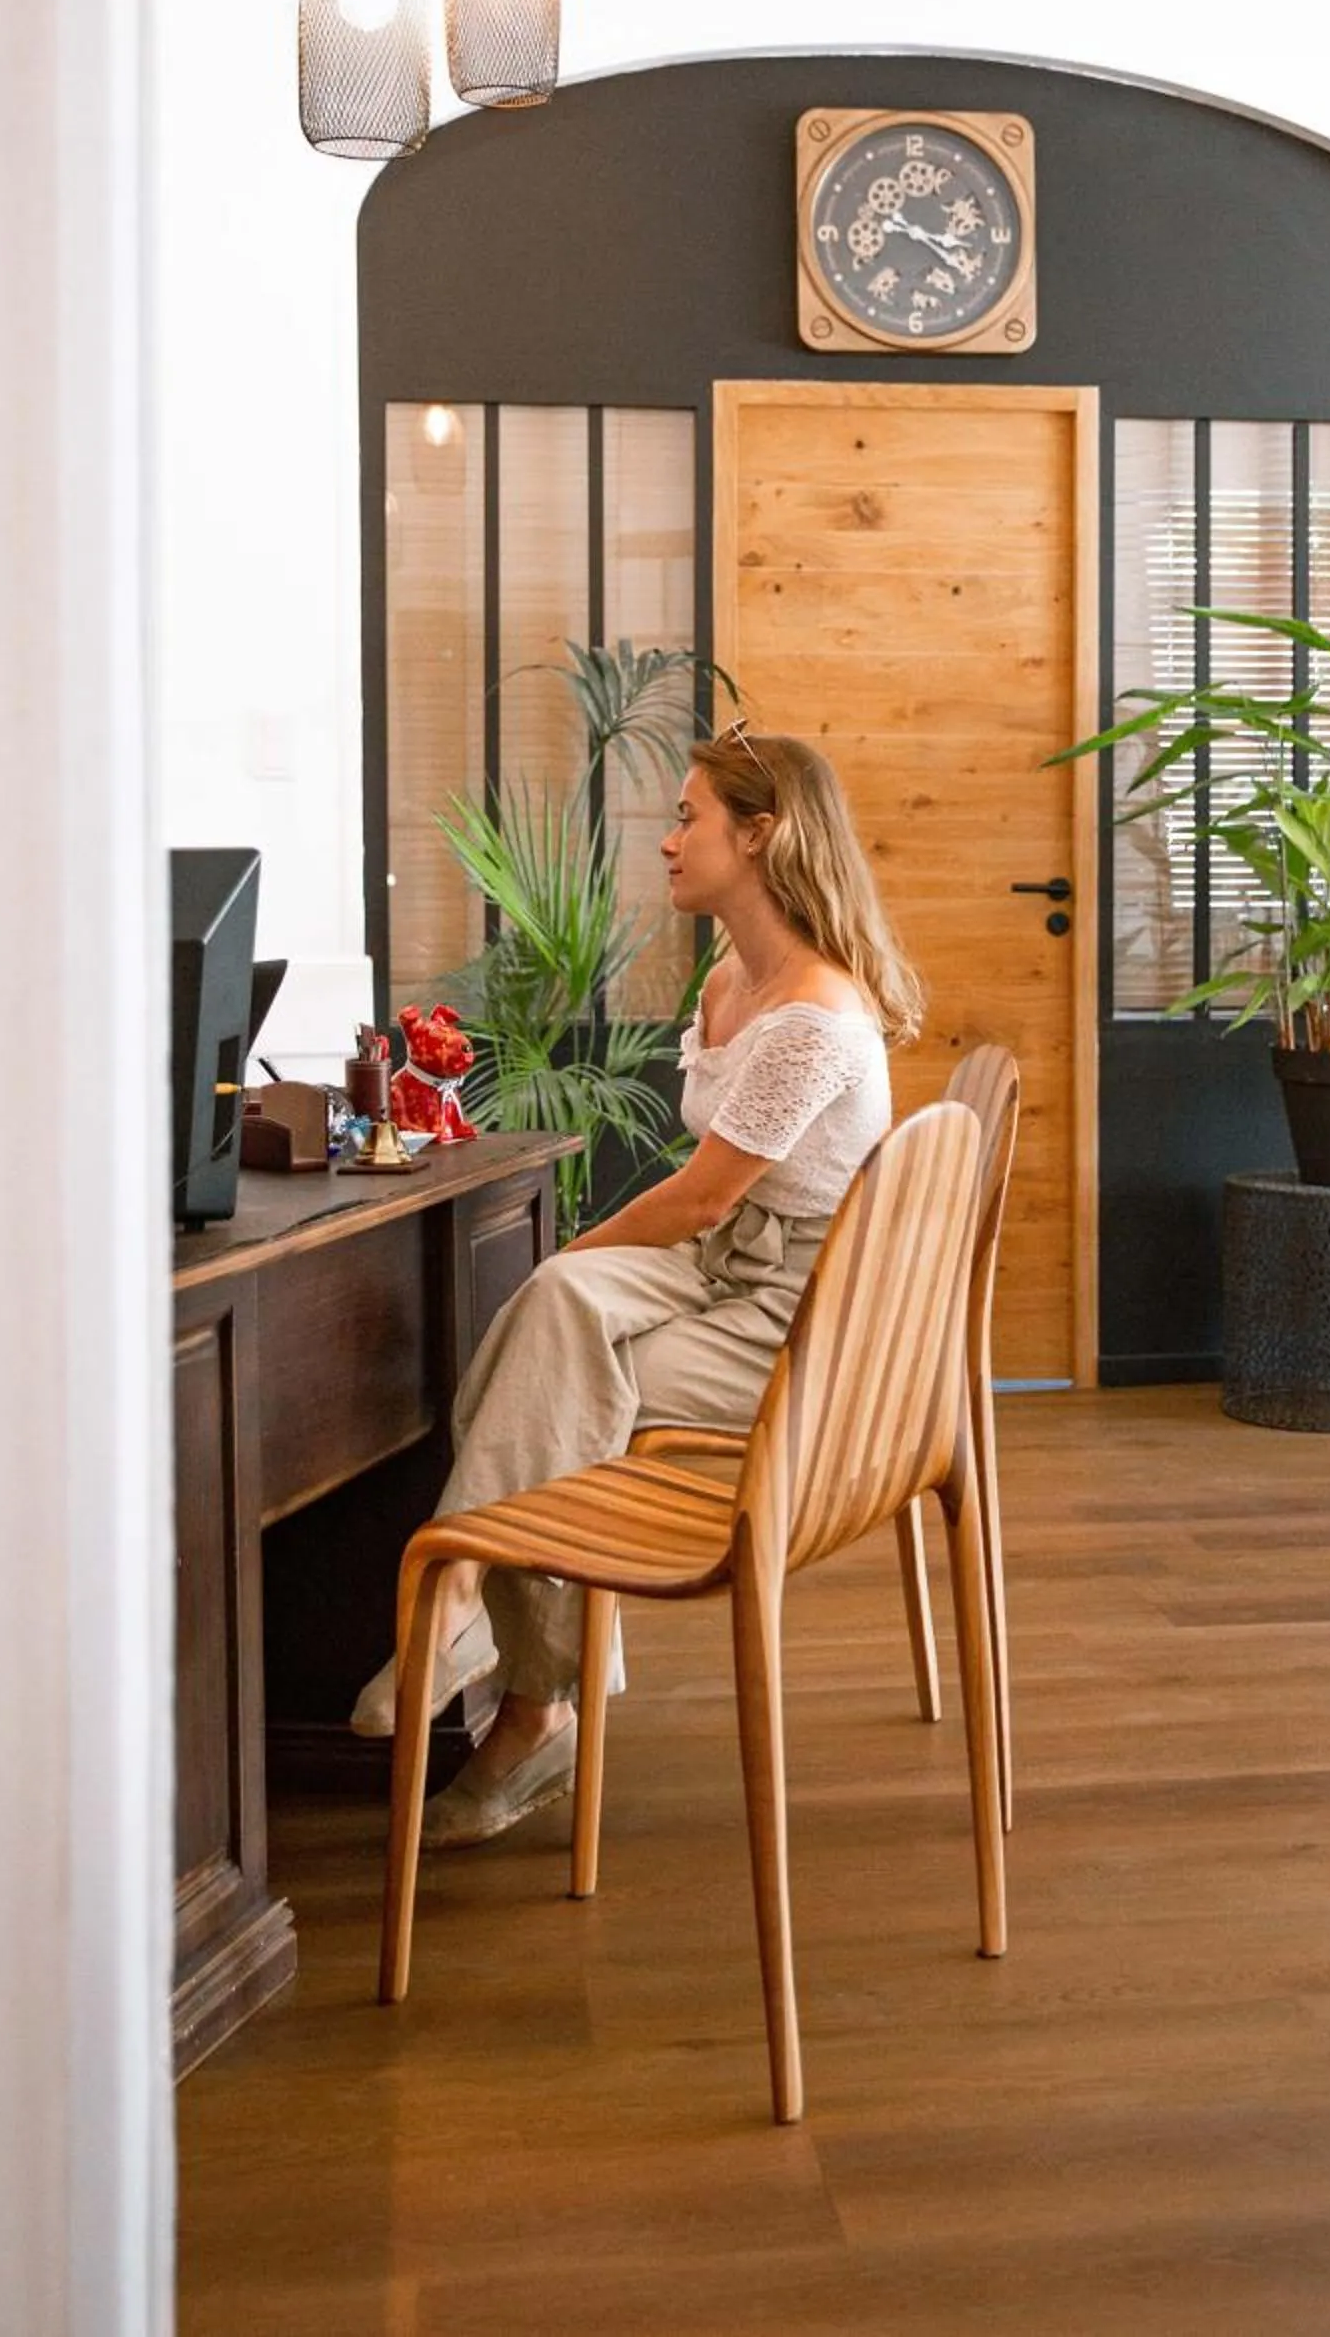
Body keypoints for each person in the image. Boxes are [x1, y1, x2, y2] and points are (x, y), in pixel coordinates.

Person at [349, 721, 921, 1846]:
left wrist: (581, 1246)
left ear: (761, 837)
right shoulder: (733, 980)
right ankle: (491, 1635)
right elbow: (702, 1218)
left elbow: (703, 1196)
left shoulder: (812, 1014)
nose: (665, 842)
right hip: (723, 1271)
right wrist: (576, 1266)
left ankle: (518, 1687)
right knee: (552, 1320)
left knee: (557, 1383)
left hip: (793, 1310)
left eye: (686, 817)